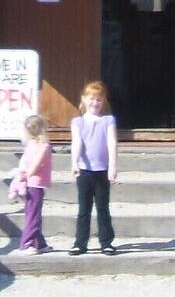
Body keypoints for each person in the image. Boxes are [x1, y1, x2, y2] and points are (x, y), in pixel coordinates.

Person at [70, 81, 119, 256]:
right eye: (92, 99)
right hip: (84, 170)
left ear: (103, 101)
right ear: (84, 99)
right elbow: (77, 143)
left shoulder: (108, 120)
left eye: (99, 99)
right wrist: (74, 162)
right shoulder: (78, 122)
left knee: (103, 207)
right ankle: (80, 243)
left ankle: (106, 242)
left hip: (102, 170)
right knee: (84, 208)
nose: (95, 103)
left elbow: (111, 143)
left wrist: (112, 166)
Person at [10, 115, 55, 255]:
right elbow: (36, 164)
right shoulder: (44, 146)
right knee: (33, 215)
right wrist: (27, 175)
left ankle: (39, 243)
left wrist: (22, 175)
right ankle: (26, 243)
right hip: (35, 184)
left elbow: (23, 162)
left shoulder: (30, 145)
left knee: (32, 213)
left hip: (28, 183)